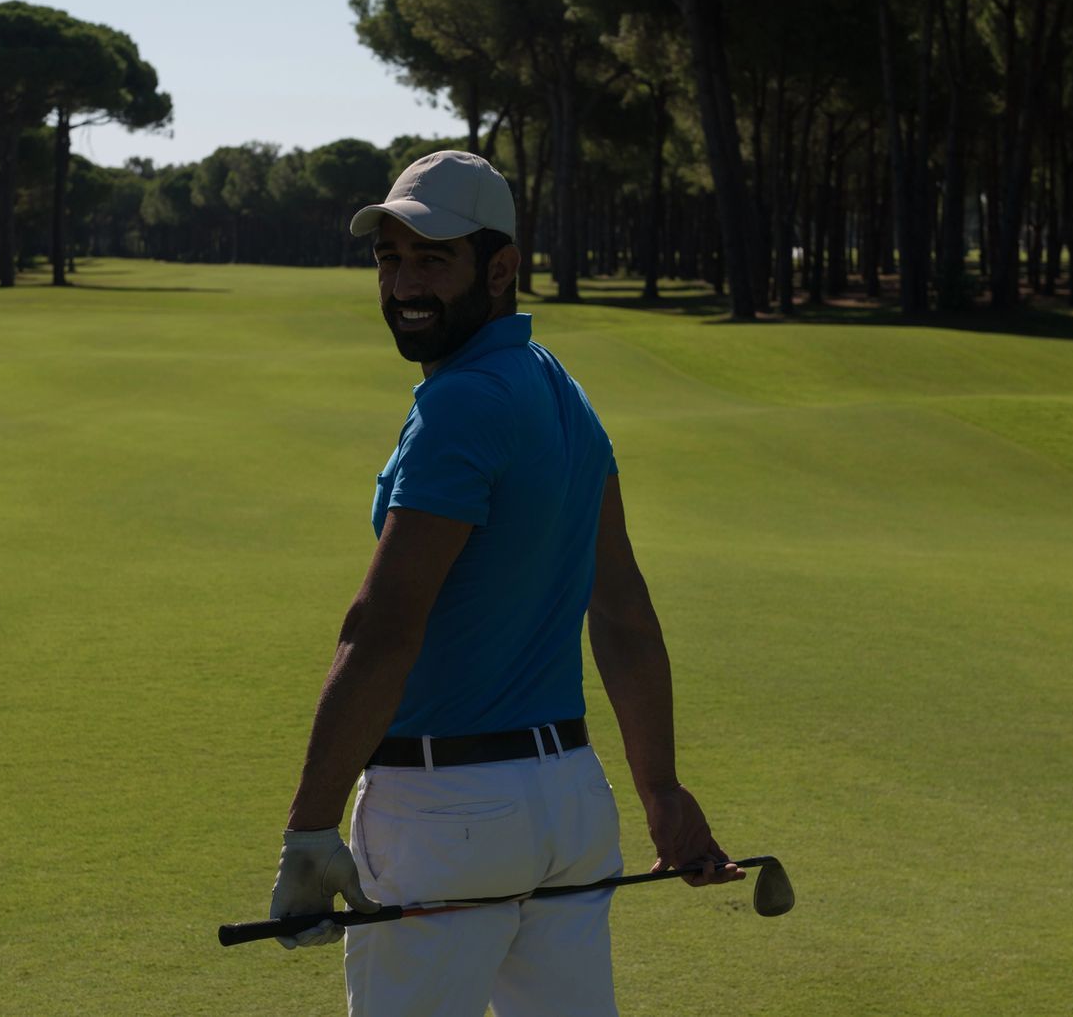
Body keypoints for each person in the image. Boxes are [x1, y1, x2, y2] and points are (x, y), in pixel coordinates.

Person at [270, 150, 741, 1017]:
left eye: (432, 259)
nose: (405, 283)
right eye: (390, 258)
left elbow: (381, 627)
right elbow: (626, 614)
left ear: (500, 268)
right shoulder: (560, 390)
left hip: (446, 814)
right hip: (569, 805)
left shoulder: (460, 404)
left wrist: (308, 831)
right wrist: (661, 794)